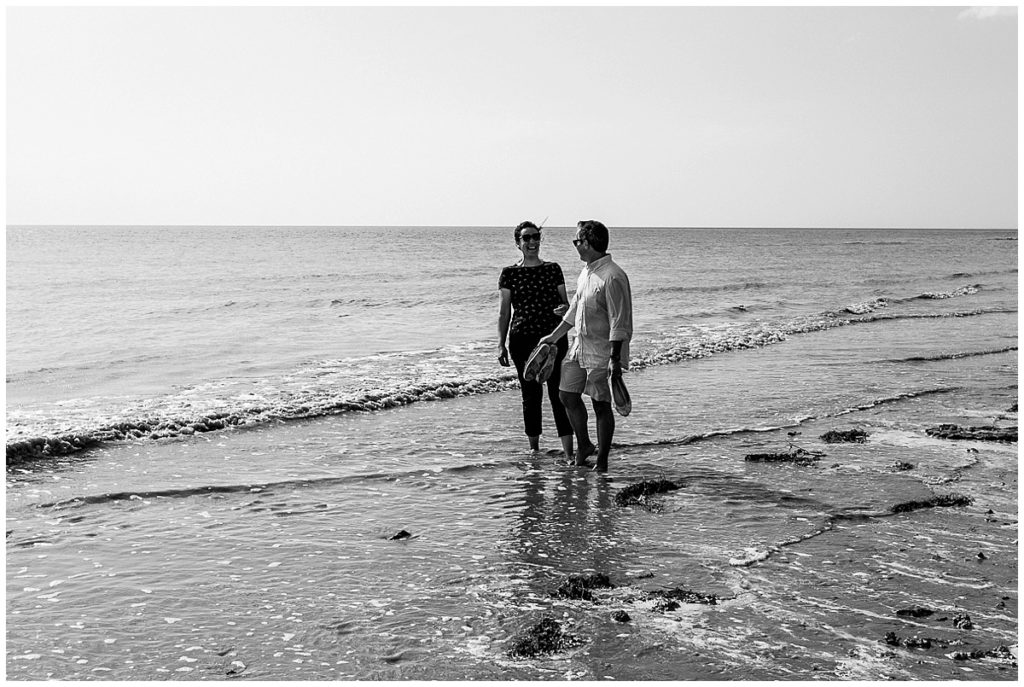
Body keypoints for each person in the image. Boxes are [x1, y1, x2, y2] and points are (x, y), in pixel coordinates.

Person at [537, 220, 633, 473]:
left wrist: (614, 360)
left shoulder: (612, 276)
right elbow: (574, 309)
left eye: (577, 241)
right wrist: (553, 336)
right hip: (579, 347)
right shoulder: (586, 272)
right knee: (566, 395)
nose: (575, 245)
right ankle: (585, 445)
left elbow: (619, 321)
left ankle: (602, 463)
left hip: (602, 351)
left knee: (601, 404)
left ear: (588, 244)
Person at [497, 221, 575, 459]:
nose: (532, 242)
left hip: (552, 339)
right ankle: (534, 450)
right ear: (518, 243)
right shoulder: (510, 273)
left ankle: (569, 452)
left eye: (535, 237)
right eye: (526, 238)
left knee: (558, 394)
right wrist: (500, 344)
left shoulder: (553, 269)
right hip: (521, 340)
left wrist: (564, 310)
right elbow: (504, 312)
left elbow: (567, 305)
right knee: (530, 395)